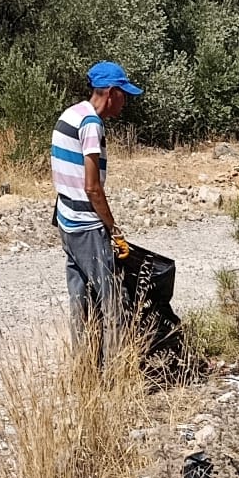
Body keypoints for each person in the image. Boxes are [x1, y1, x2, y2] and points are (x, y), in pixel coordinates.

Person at [51, 60, 141, 344]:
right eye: (124, 94)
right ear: (111, 92)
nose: (125, 102)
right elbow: (92, 187)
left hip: (66, 221)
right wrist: (113, 229)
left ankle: (85, 368)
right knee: (113, 301)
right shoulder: (91, 124)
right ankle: (115, 374)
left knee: (80, 301)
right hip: (86, 225)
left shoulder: (72, 113)